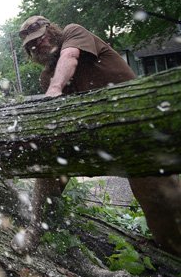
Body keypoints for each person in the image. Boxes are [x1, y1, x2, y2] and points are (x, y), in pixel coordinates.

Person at [12, 15, 181, 256]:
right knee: (49, 167)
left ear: (52, 29)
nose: (36, 45)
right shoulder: (46, 77)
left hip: (137, 128)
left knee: (157, 197)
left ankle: (173, 254)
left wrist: (55, 89)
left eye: (39, 38)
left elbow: (69, 58)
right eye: (30, 45)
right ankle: (36, 230)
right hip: (97, 136)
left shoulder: (73, 33)